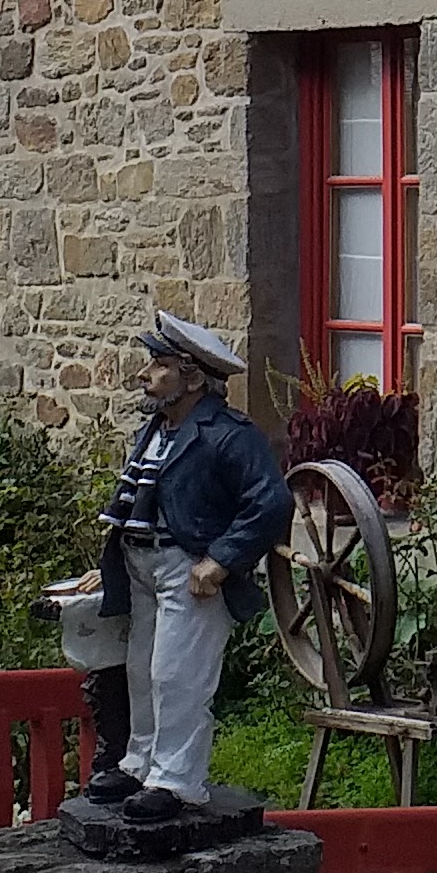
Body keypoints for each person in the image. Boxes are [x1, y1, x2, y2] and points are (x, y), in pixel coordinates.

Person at [82, 314, 292, 824]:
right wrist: (110, 565)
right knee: (142, 670)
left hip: (187, 569)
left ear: (193, 377)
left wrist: (221, 559)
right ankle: (141, 762)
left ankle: (176, 780)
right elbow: (138, 500)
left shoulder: (228, 435)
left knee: (177, 676)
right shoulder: (157, 430)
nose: (145, 375)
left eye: (159, 365)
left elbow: (271, 502)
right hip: (142, 566)